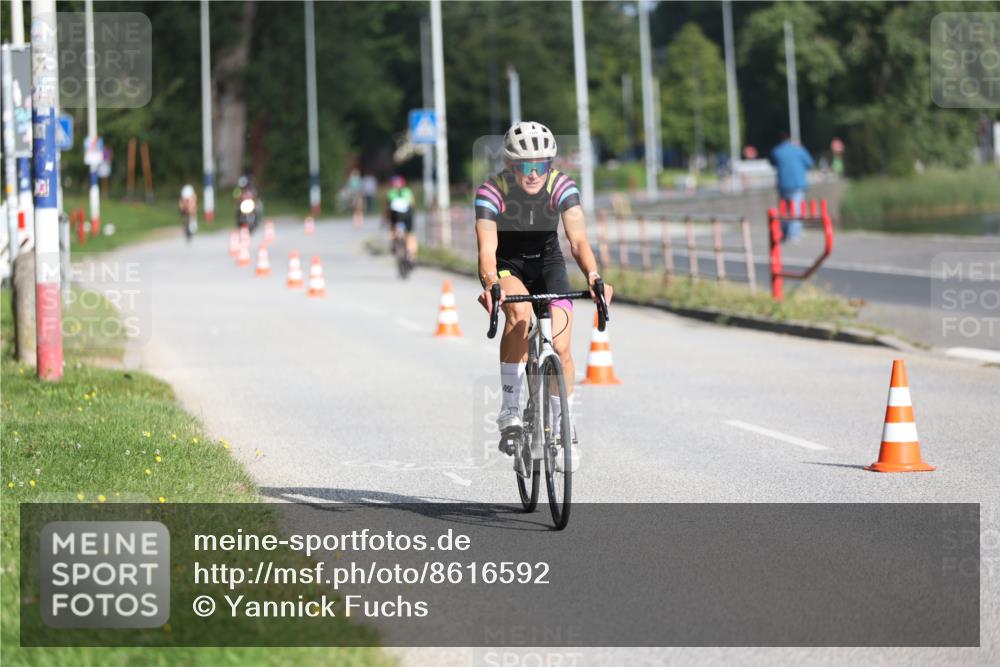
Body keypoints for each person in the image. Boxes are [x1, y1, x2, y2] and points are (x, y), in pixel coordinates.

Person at [475, 121, 612, 473]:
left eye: (541, 165)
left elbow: (578, 240)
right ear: (510, 165)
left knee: (562, 347)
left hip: (548, 263)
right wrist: (491, 283)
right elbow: (487, 249)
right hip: (508, 266)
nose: (533, 173)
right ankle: (509, 406)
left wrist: (594, 277)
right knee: (520, 315)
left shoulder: (561, 186)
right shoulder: (493, 191)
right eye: (525, 166)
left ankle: (564, 425)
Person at [769, 132, 814, 243]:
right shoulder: (798, 149)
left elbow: (772, 163)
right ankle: (793, 235)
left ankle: (783, 233)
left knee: (784, 210)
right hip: (797, 184)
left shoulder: (777, 150)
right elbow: (809, 163)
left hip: (783, 184)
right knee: (796, 210)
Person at [385, 175, 417, 262]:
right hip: (407, 215)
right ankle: (412, 256)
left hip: (395, 216)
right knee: (410, 235)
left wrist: (385, 219)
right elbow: (413, 204)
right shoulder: (407, 191)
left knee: (393, 229)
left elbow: (387, 209)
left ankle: (394, 244)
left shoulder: (390, 193)